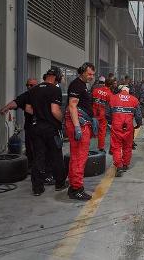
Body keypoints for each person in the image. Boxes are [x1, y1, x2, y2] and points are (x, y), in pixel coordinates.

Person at [27, 67, 68, 196]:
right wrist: (62, 120)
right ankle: (60, 184)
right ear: (56, 77)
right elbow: (55, 110)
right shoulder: (55, 89)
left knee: (38, 157)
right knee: (56, 156)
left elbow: (29, 109)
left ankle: (37, 188)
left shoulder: (33, 89)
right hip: (50, 128)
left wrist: (40, 114)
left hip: (36, 127)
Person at [64, 63, 98, 201]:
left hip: (83, 121)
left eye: (93, 74)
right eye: (89, 74)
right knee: (80, 157)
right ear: (82, 72)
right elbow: (72, 106)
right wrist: (77, 126)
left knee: (77, 156)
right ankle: (76, 189)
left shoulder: (82, 85)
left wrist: (92, 117)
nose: (91, 76)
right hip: (79, 123)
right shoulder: (77, 85)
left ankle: (74, 185)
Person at [107, 85, 142, 177]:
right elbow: (138, 115)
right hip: (129, 126)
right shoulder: (134, 100)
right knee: (127, 146)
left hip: (116, 126)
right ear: (128, 91)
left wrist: (111, 122)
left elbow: (108, 114)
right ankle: (125, 164)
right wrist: (138, 124)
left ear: (120, 90)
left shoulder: (113, 98)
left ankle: (119, 166)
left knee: (116, 146)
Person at [92, 76, 111, 152]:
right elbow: (110, 104)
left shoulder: (94, 90)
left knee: (90, 129)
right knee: (102, 131)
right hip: (103, 114)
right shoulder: (108, 92)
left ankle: (86, 147)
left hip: (93, 113)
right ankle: (101, 147)